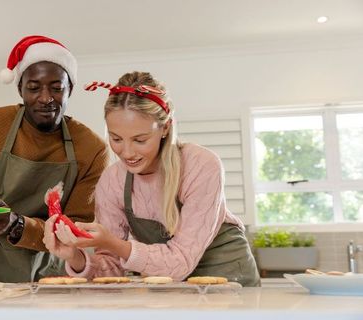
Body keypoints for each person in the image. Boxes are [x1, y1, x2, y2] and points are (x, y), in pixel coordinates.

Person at [42, 71, 260, 287]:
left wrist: (113, 242)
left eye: (140, 139)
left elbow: (180, 262)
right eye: (116, 138)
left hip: (231, 283)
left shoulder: (200, 165)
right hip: (171, 288)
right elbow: (110, 270)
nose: (126, 152)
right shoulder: (112, 181)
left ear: (165, 127)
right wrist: (75, 257)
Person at [0, 35, 109, 287]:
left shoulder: (92, 148)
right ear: (20, 88)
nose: (45, 97)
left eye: (56, 87)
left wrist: (15, 225)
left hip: (53, 278)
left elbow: (76, 233)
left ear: (69, 89)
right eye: (33, 87)